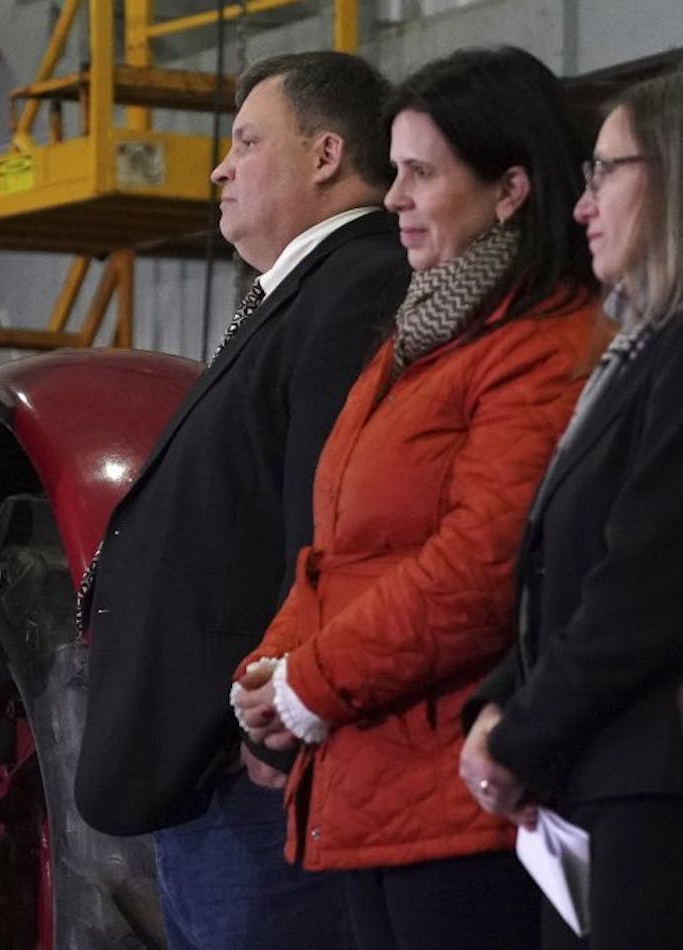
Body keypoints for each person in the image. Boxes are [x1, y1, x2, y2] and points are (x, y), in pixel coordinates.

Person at [232, 46, 600, 950]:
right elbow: (337, 547)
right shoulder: (419, 336)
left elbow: (483, 562)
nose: (392, 197)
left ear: (509, 189)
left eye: (420, 174)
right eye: (393, 171)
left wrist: (308, 684)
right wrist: (271, 668)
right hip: (371, 773)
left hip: (457, 792)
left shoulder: (541, 342)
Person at [73, 52, 408, 949]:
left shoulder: (356, 281)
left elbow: (330, 527)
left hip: (257, 768)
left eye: (247, 141)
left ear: (327, 154)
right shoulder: (296, 293)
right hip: (220, 768)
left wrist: (275, 717)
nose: (220, 168)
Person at [460, 71, 683, 949]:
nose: (583, 206)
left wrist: (518, 733)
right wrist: (497, 702)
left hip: (648, 789)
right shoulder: (634, 352)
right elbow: (562, 570)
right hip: (598, 779)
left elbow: (643, 587)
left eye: (604, 174)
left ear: (669, 176)